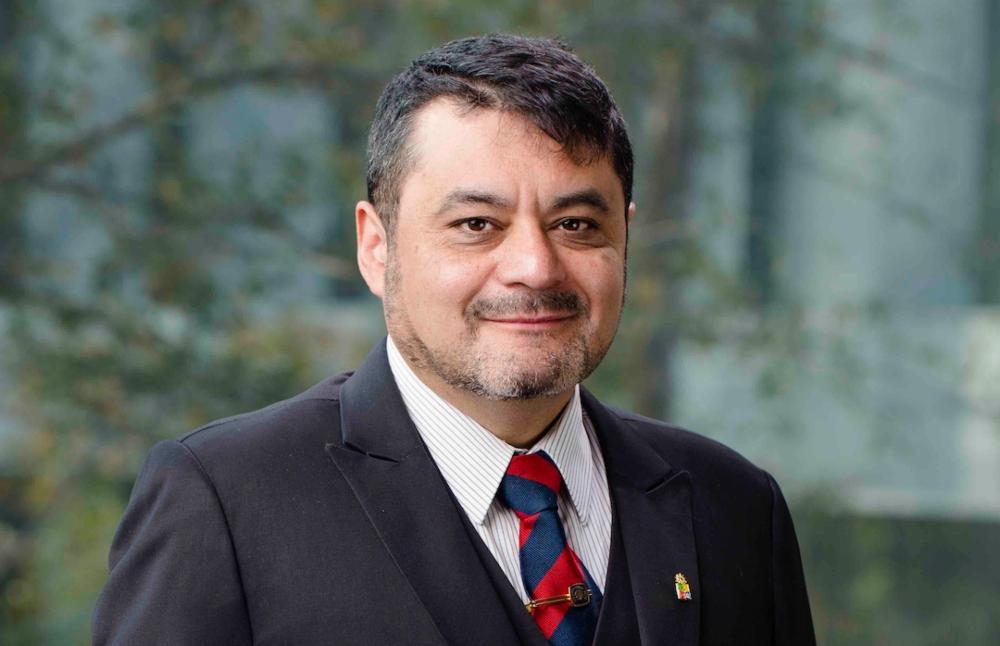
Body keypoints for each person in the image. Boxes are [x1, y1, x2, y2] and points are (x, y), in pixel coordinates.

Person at [93, 34, 815, 645]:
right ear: (376, 247)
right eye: (476, 224)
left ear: (625, 238)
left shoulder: (733, 507)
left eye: (575, 225)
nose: (534, 266)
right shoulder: (226, 502)